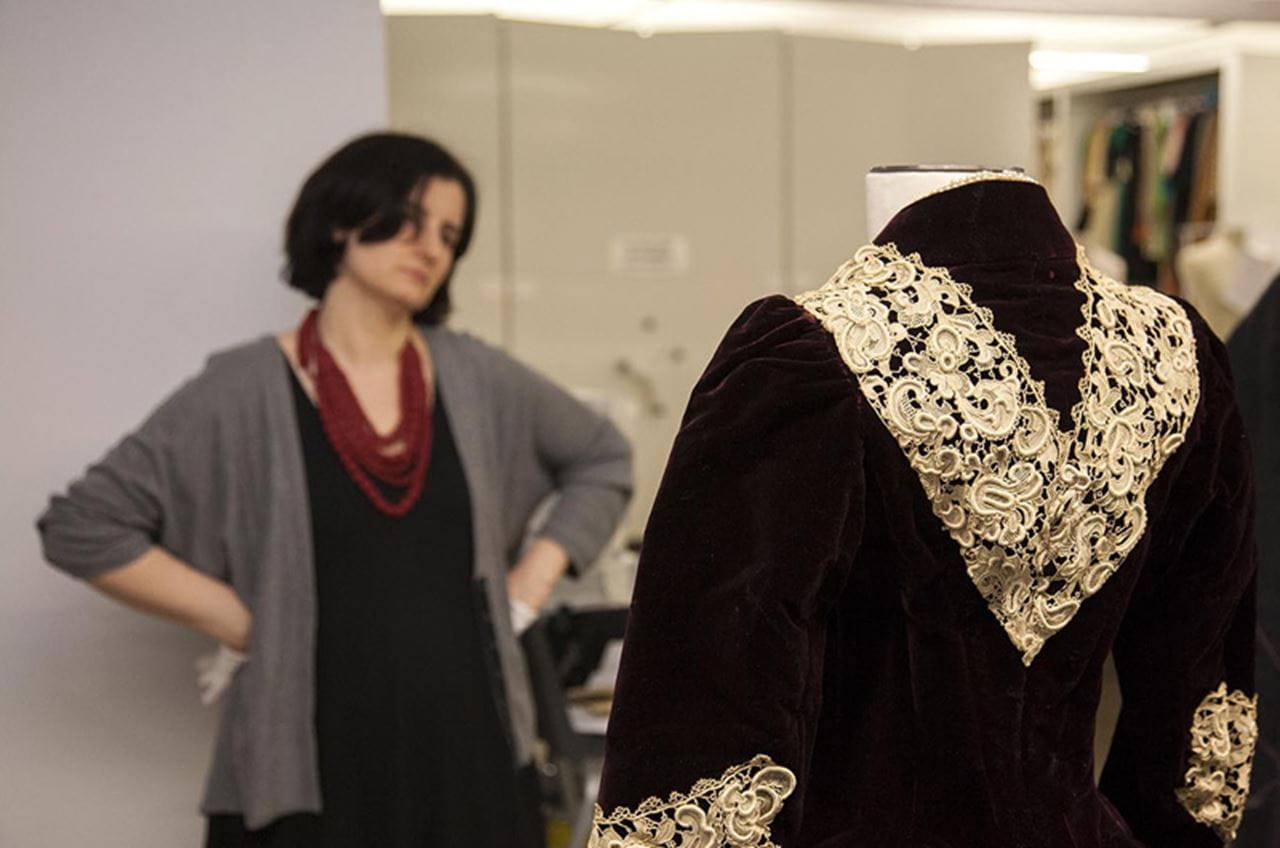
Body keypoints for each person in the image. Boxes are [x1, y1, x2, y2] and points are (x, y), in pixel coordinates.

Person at [37, 132, 633, 847]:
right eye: (410, 221)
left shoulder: (474, 377)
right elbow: (82, 525)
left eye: (449, 234)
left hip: (468, 744)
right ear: (342, 221)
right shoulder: (241, 391)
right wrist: (234, 617)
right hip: (312, 759)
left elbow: (604, 457)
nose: (432, 248)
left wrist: (533, 580)